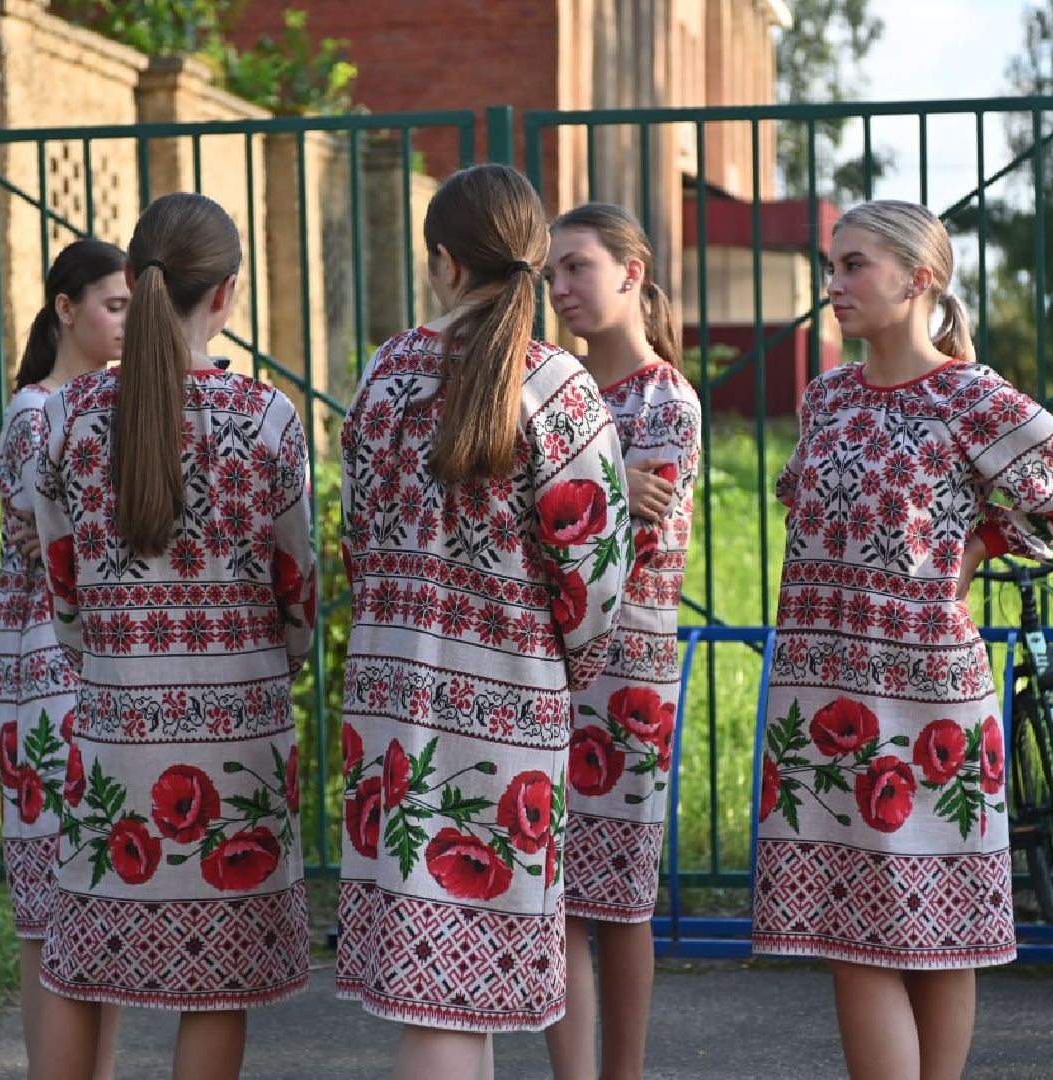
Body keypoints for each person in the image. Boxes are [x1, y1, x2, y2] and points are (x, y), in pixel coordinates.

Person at [753, 199, 1053, 1080]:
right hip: (821, 693)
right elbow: (802, 497)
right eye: (831, 265)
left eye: (854, 265)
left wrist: (986, 542)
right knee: (850, 934)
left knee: (942, 932)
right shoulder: (827, 396)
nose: (833, 284)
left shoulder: (968, 395)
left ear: (919, 279)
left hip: (928, 696)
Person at [335, 163, 630, 1080]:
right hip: (511, 705)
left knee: (435, 985)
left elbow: (356, 539)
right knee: (462, 991)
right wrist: (566, 666)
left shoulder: (384, 374)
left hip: (390, 702)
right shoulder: (561, 388)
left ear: (443, 262)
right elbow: (594, 573)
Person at [30, 193, 317, 1080]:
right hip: (239, 733)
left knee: (80, 961)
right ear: (225, 293)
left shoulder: (67, 417)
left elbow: (63, 591)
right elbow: (297, 594)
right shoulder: (267, 419)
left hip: (114, 722)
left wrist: (109, 655)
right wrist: (277, 657)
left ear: (135, 276)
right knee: (217, 981)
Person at [540, 203, 700, 1080]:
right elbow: (554, 520)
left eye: (578, 267)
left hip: (631, 667)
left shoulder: (666, 397)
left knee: (622, 898)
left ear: (632, 273)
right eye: (551, 274)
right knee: (557, 893)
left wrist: (575, 488)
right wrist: (605, 478)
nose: (560, 288)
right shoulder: (552, 388)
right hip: (547, 664)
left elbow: (634, 534)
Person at [0, 238, 128, 1079]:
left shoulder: (106, 406)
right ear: (66, 308)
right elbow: (55, 541)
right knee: (49, 908)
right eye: (113, 306)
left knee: (97, 901)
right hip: (44, 673)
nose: (126, 322)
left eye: (134, 307)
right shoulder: (35, 412)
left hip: (97, 671)